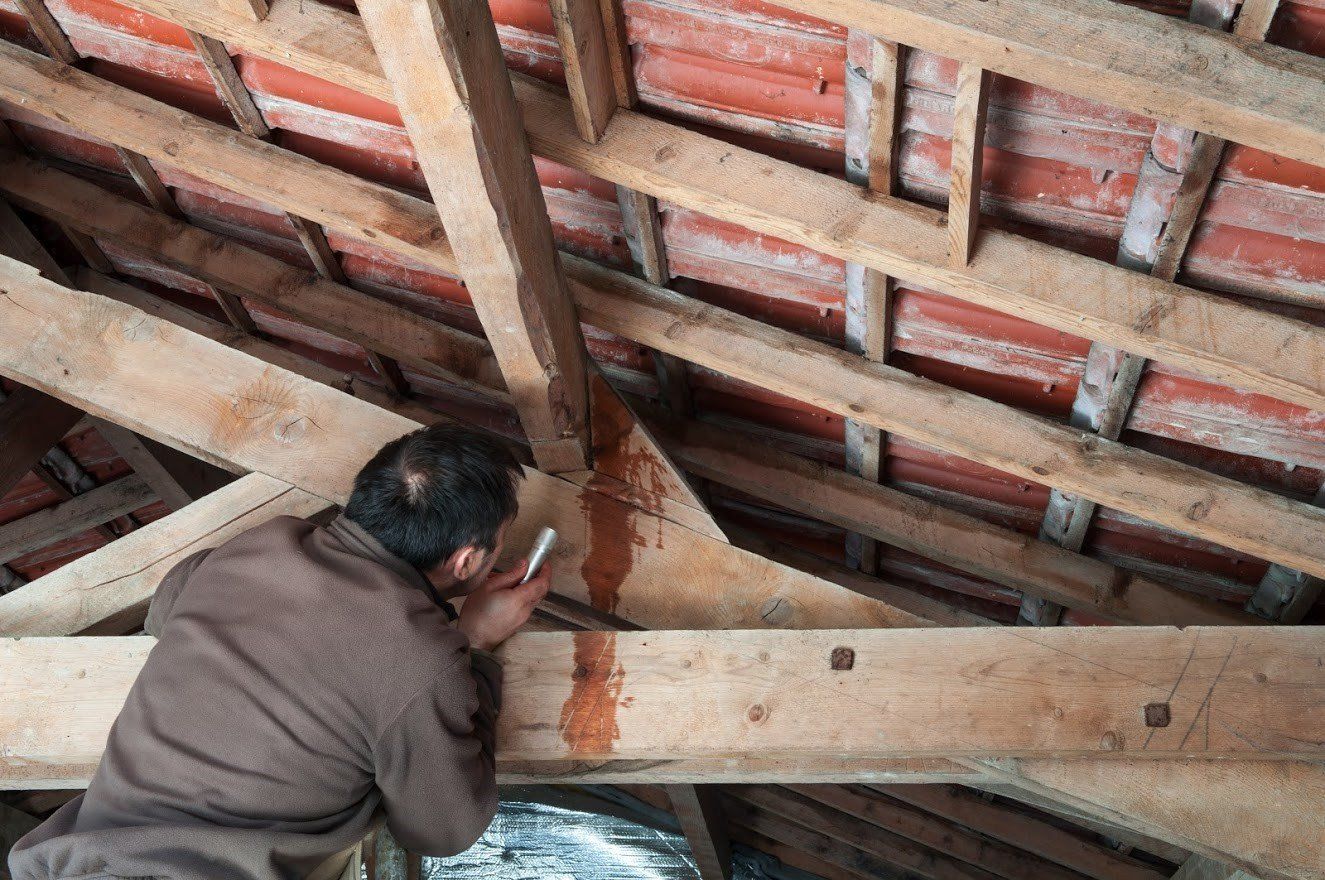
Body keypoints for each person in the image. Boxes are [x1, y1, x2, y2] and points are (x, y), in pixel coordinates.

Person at [9, 424, 550, 880]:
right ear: (466, 562)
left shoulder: (263, 543)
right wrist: (473, 645)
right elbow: (442, 828)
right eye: (500, 542)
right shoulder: (422, 662)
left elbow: (166, 607)